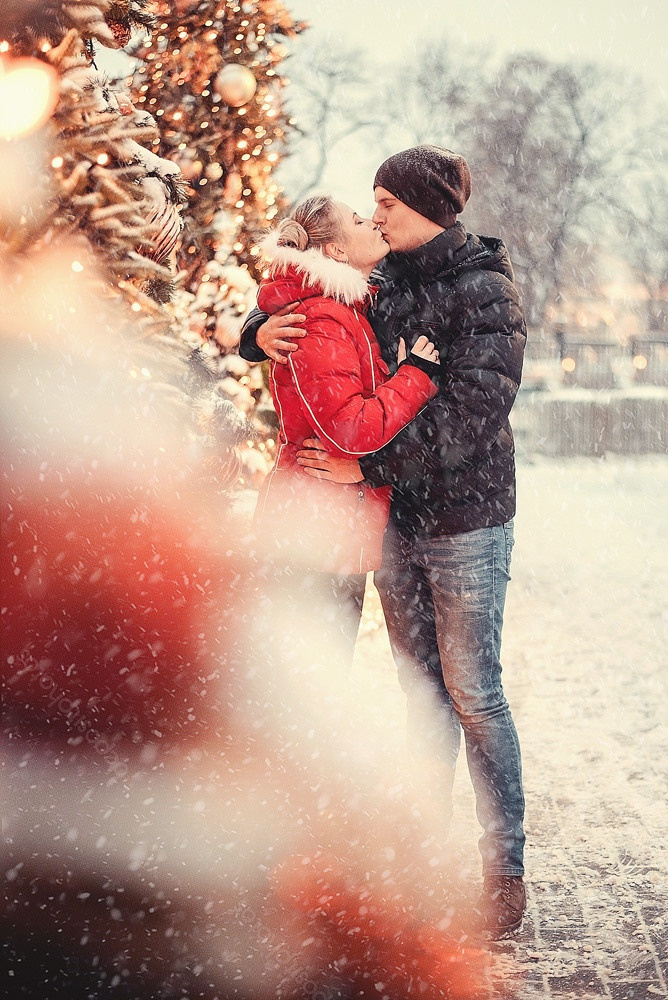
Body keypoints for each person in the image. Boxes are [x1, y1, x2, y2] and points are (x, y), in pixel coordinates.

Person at [239, 145, 528, 939]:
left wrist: (362, 457)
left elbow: (471, 419)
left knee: (474, 694)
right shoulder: (388, 277)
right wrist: (259, 331)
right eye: (369, 206)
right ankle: (416, 860)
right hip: (396, 522)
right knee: (418, 697)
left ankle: (503, 869)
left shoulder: (486, 291)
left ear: (426, 207)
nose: (377, 216)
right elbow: (314, 302)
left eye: (386, 203)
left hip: (466, 523)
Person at [248, 194, 440, 669]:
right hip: (316, 535)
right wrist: (416, 376)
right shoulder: (323, 317)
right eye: (358, 219)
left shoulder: (345, 306)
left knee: (309, 695)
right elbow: (349, 431)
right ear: (334, 251)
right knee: (309, 697)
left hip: (327, 533)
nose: (372, 221)